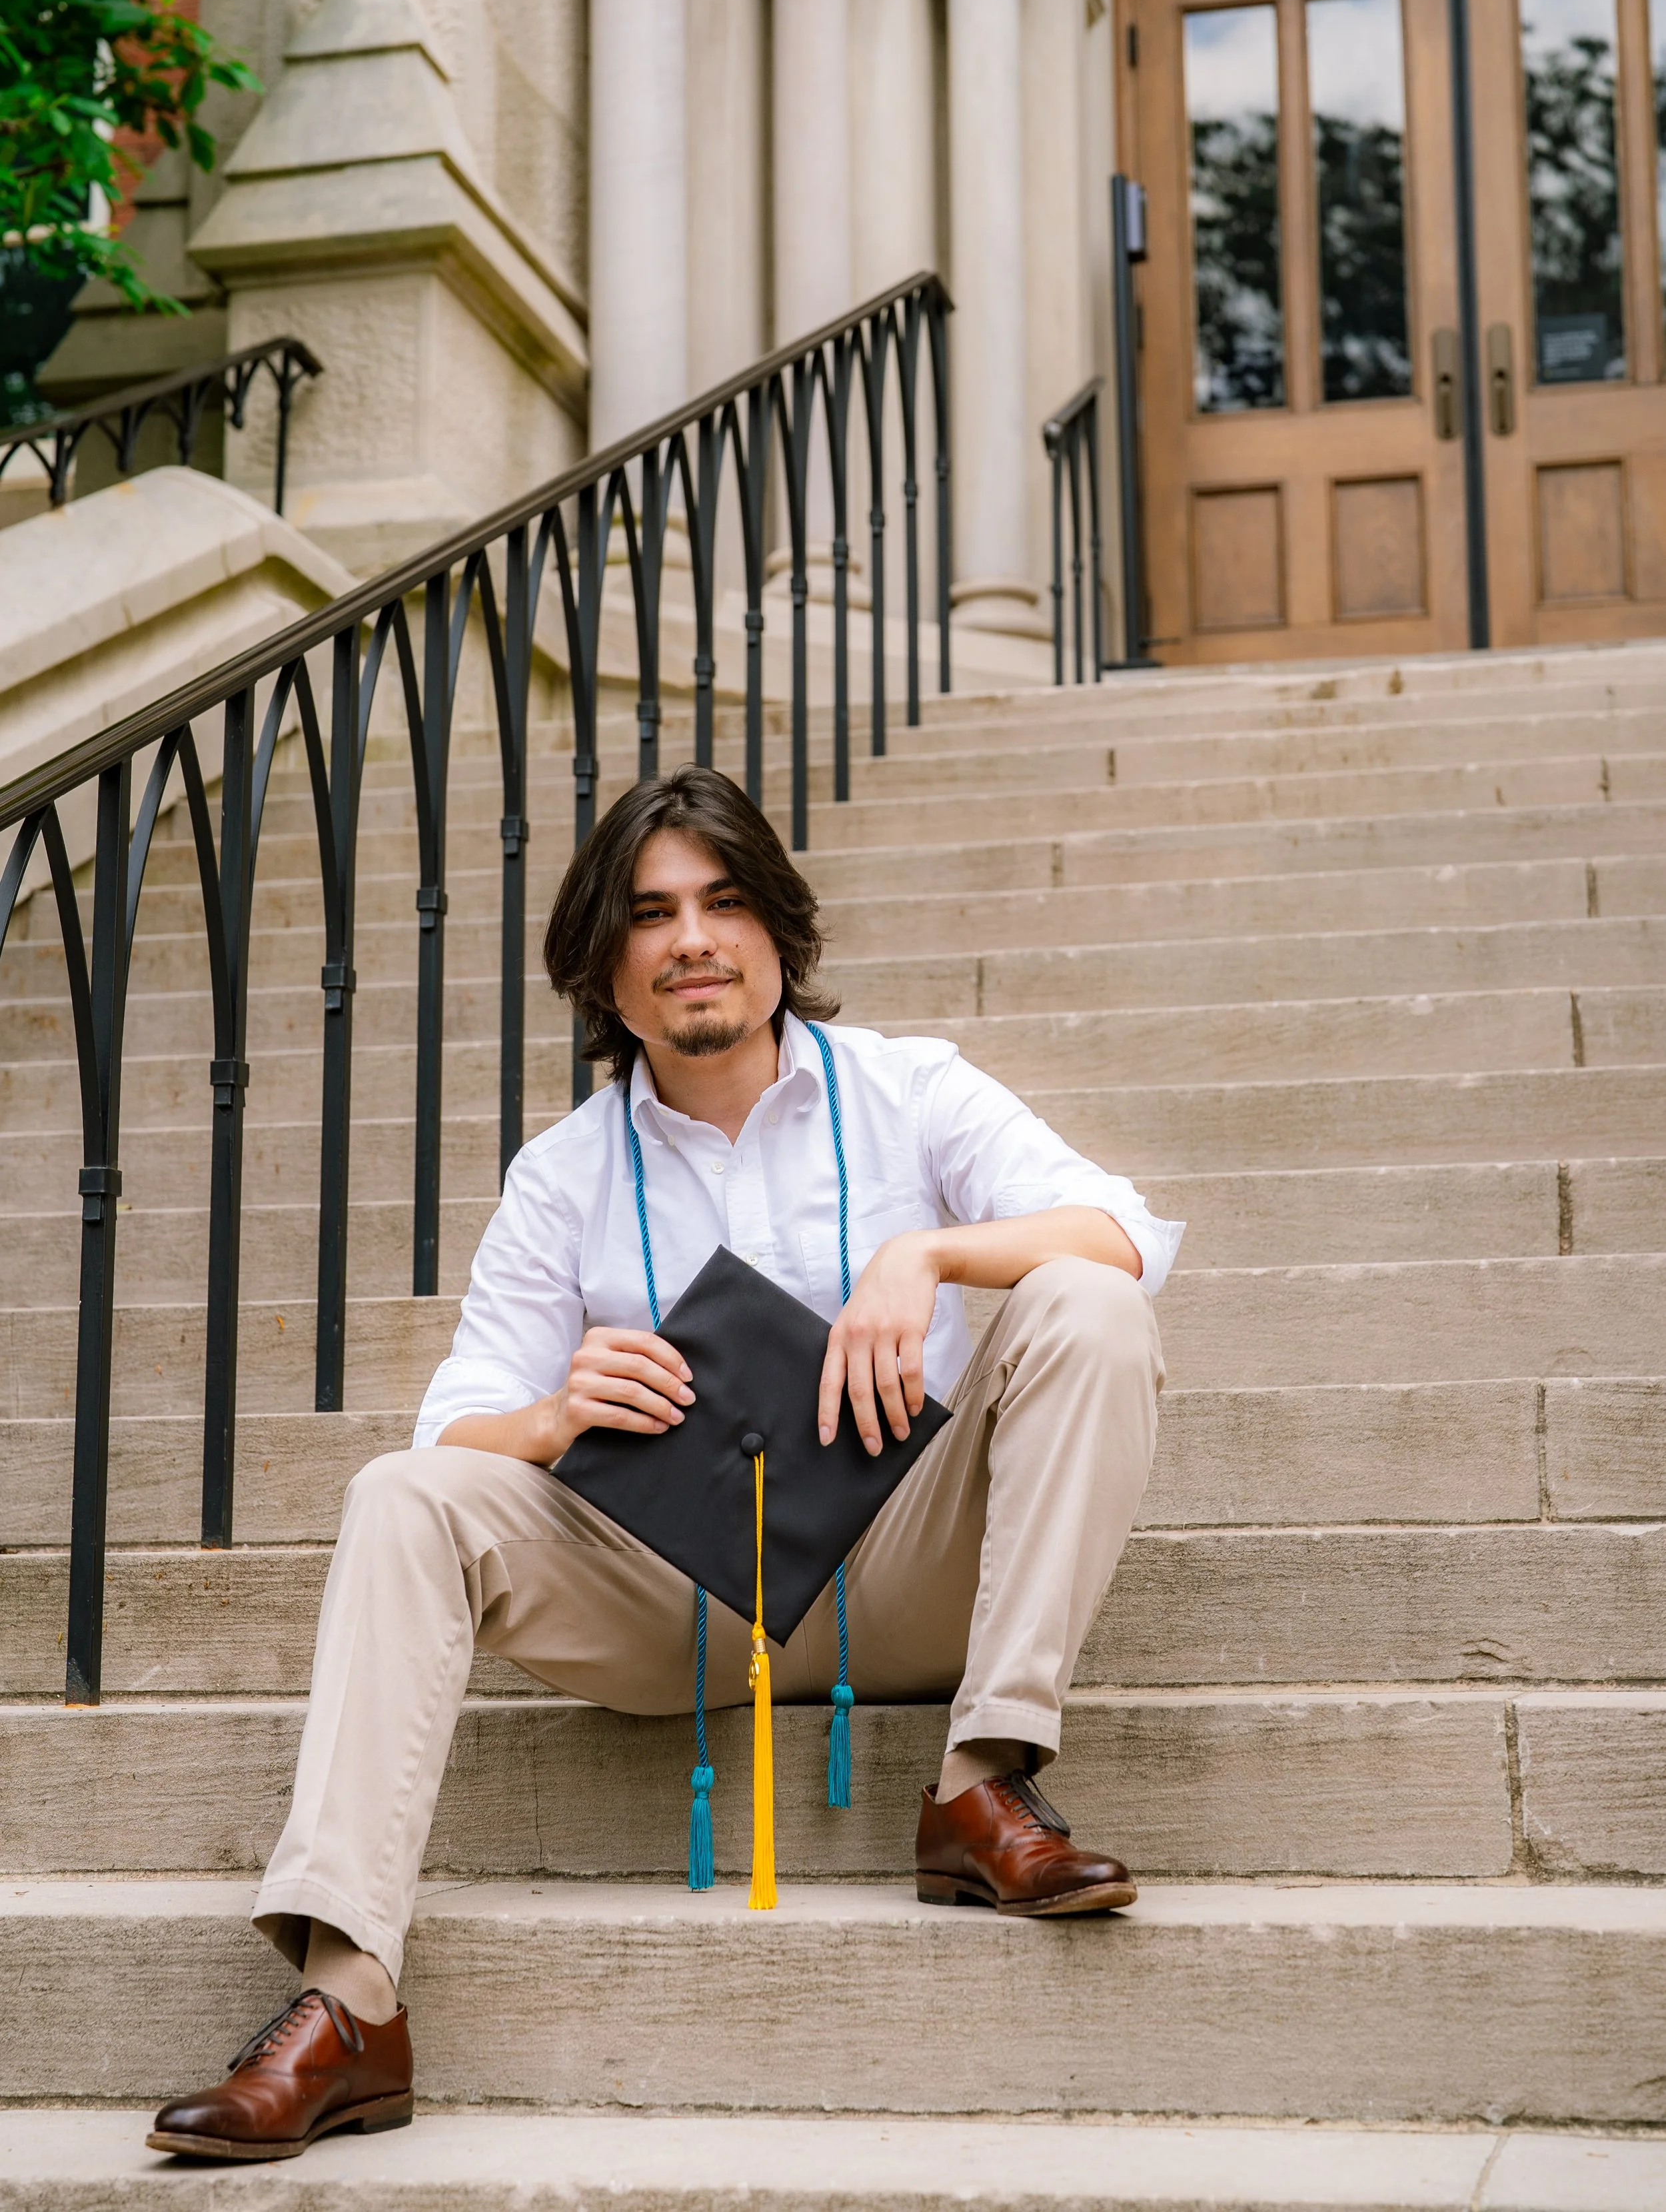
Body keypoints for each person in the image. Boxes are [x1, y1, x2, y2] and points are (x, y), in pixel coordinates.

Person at [149, 764, 1182, 2163]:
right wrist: (550, 1418)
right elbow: (454, 1416)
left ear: (776, 936)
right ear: (610, 975)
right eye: (650, 915)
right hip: (678, 1604)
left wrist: (926, 1252)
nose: (691, 936)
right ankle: (348, 2004)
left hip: (908, 1566)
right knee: (403, 1493)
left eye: (722, 899)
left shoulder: (905, 1088)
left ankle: (979, 1784)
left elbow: (1123, 1227)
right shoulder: (561, 1173)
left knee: (1085, 1298)